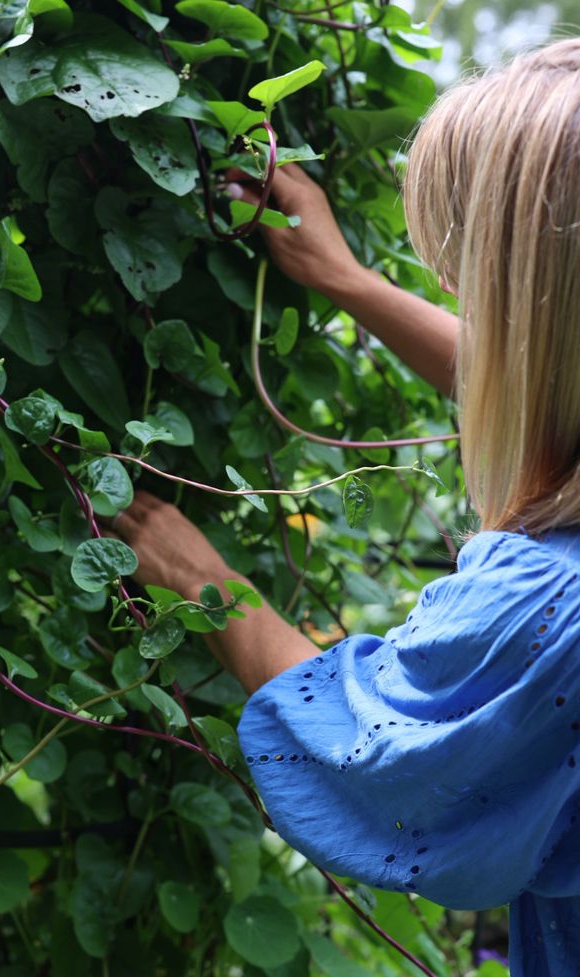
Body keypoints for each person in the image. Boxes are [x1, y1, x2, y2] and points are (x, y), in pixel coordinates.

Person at [104, 38, 580, 977]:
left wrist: (202, 576)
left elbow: (373, 751)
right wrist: (349, 281)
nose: (467, 303)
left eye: (484, 290)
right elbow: (543, 389)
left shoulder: (550, 604)